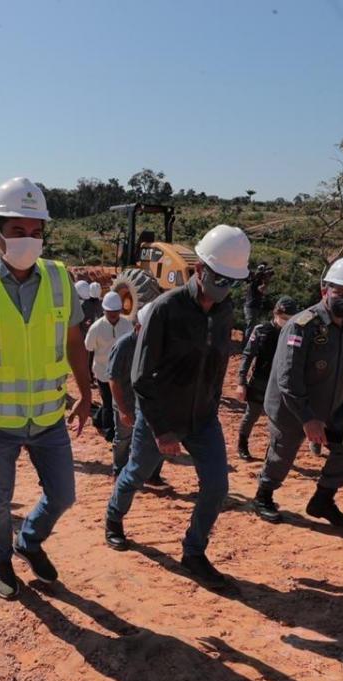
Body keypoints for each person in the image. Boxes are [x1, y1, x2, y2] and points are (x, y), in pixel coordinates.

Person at [0, 177, 94, 600]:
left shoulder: (62, 279)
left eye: (36, 231)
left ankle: (29, 541)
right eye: (18, 231)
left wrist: (86, 392)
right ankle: (3, 558)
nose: (29, 239)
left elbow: (74, 341)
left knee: (63, 495)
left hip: (48, 417)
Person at [103, 224, 249, 586]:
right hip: (162, 417)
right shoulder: (166, 309)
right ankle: (113, 517)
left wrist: (212, 404)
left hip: (202, 418)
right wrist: (161, 429)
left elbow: (218, 365)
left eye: (231, 281)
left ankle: (194, 552)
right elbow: (140, 377)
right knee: (136, 473)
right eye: (218, 278)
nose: (223, 288)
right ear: (200, 269)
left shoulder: (224, 310)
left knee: (217, 487)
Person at [251, 257, 343, 528]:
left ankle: (322, 500)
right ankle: (263, 496)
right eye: (341, 293)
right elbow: (288, 379)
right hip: (292, 408)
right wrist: (307, 418)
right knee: (283, 455)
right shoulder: (302, 326)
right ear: (325, 290)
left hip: (332, 407)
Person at [106, 301, 165, 485]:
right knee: (123, 439)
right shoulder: (123, 346)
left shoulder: (156, 345)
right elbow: (113, 379)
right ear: (138, 327)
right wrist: (123, 410)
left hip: (148, 403)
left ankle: (152, 475)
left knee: (157, 439)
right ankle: (119, 472)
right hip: (126, 402)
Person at [236, 295, 299, 461]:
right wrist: (241, 382)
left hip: (282, 385)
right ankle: (242, 444)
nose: (286, 322)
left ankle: (274, 453)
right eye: (283, 318)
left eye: (290, 319)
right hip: (261, 381)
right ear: (275, 313)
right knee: (252, 415)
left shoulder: (295, 334)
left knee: (279, 422)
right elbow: (247, 355)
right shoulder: (261, 330)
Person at [84, 290, 133, 443]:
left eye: (116, 311)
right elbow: (89, 349)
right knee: (108, 403)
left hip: (122, 374)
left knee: (119, 403)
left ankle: (103, 422)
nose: (113, 314)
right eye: (110, 311)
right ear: (104, 310)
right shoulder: (96, 327)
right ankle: (110, 433)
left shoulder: (127, 325)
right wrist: (88, 374)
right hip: (103, 373)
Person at [244, 263, 273, 339]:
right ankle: (246, 344)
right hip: (251, 306)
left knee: (251, 325)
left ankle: (246, 342)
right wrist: (266, 282)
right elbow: (261, 289)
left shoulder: (257, 279)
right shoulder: (256, 280)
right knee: (251, 326)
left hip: (253, 305)